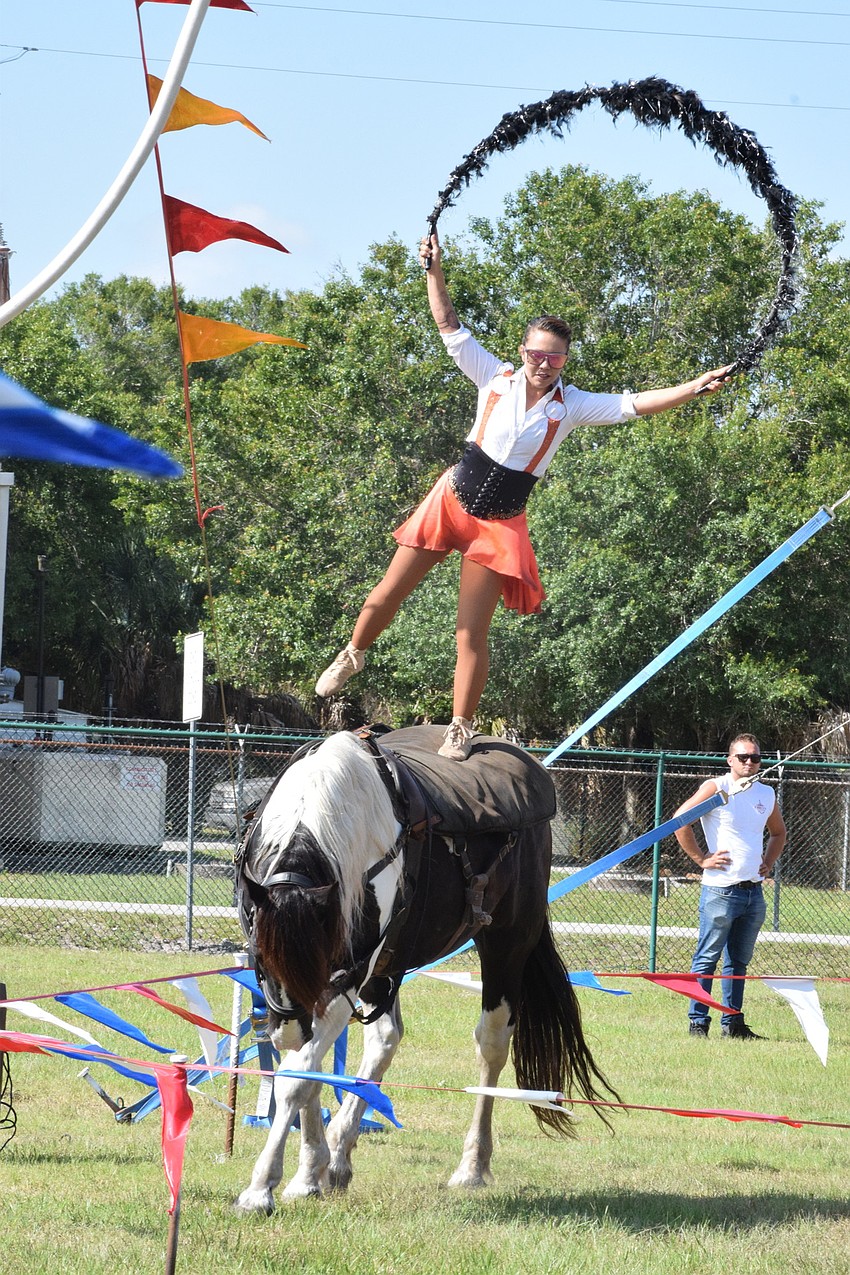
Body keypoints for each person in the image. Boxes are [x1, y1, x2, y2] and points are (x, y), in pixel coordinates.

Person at [316, 230, 732, 760]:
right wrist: (433, 270)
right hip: (451, 501)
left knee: (470, 633)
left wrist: (692, 387)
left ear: (565, 362)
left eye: (555, 359)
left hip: (499, 522)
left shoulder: (573, 405)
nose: (544, 364)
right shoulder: (496, 377)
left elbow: (633, 404)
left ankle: (460, 726)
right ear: (523, 351)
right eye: (538, 354)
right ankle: (353, 654)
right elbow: (447, 323)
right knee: (386, 593)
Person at [674, 733, 787, 1039]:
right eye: (743, 757)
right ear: (730, 760)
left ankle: (733, 1024)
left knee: (738, 961)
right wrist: (701, 859)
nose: (750, 762)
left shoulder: (766, 793)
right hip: (720, 890)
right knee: (707, 958)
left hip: (753, 891)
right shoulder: (718, 787)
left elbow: (778, 833)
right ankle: (698, 1022)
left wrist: (768, 862)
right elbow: (680, 820)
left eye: (755, 757)